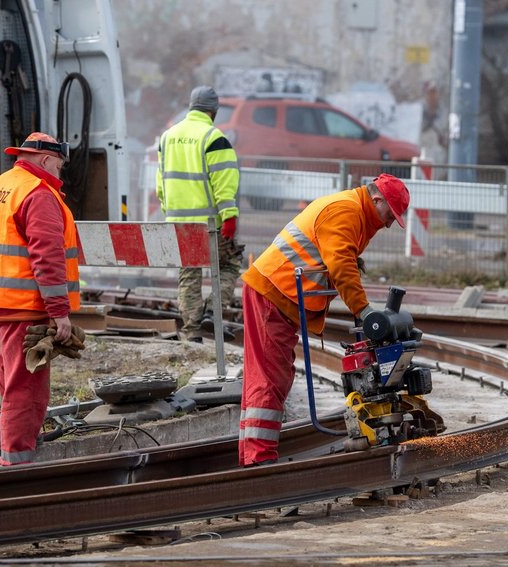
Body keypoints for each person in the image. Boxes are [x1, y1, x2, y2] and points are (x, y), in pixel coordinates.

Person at [237, 173, 410, 467]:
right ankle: (259, 462)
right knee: (270, 378)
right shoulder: (346, 211)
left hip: (278, 295)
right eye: (390, 214)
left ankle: (252, 458)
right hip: (273, 294)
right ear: (376, 199)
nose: (390, 223)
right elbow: (341, 264)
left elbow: (334, 257)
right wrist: (365, 312)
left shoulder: (355, 214)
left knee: (269, 375)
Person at [0, 132, 80, 467]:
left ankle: (23, 437)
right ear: (45, 160)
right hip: (22, 301)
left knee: (10, 371)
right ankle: (16, 461)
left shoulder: (0, 185)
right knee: (26, 382)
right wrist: (59, 313)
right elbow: (47, 257)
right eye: (58, 164)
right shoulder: (38, 194)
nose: (60, 173)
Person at [157, 85, 241, 343]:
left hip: (178, 222)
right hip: (210, 223)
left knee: (189, 273)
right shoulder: (214, 138)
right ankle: (212, 311)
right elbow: (224, 180)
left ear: (191, 107)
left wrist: (168, 210)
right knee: (229, 264)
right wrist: (229, 215)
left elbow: (161, 183)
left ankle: (192, 332)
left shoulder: (168, 137)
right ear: (213, 111)